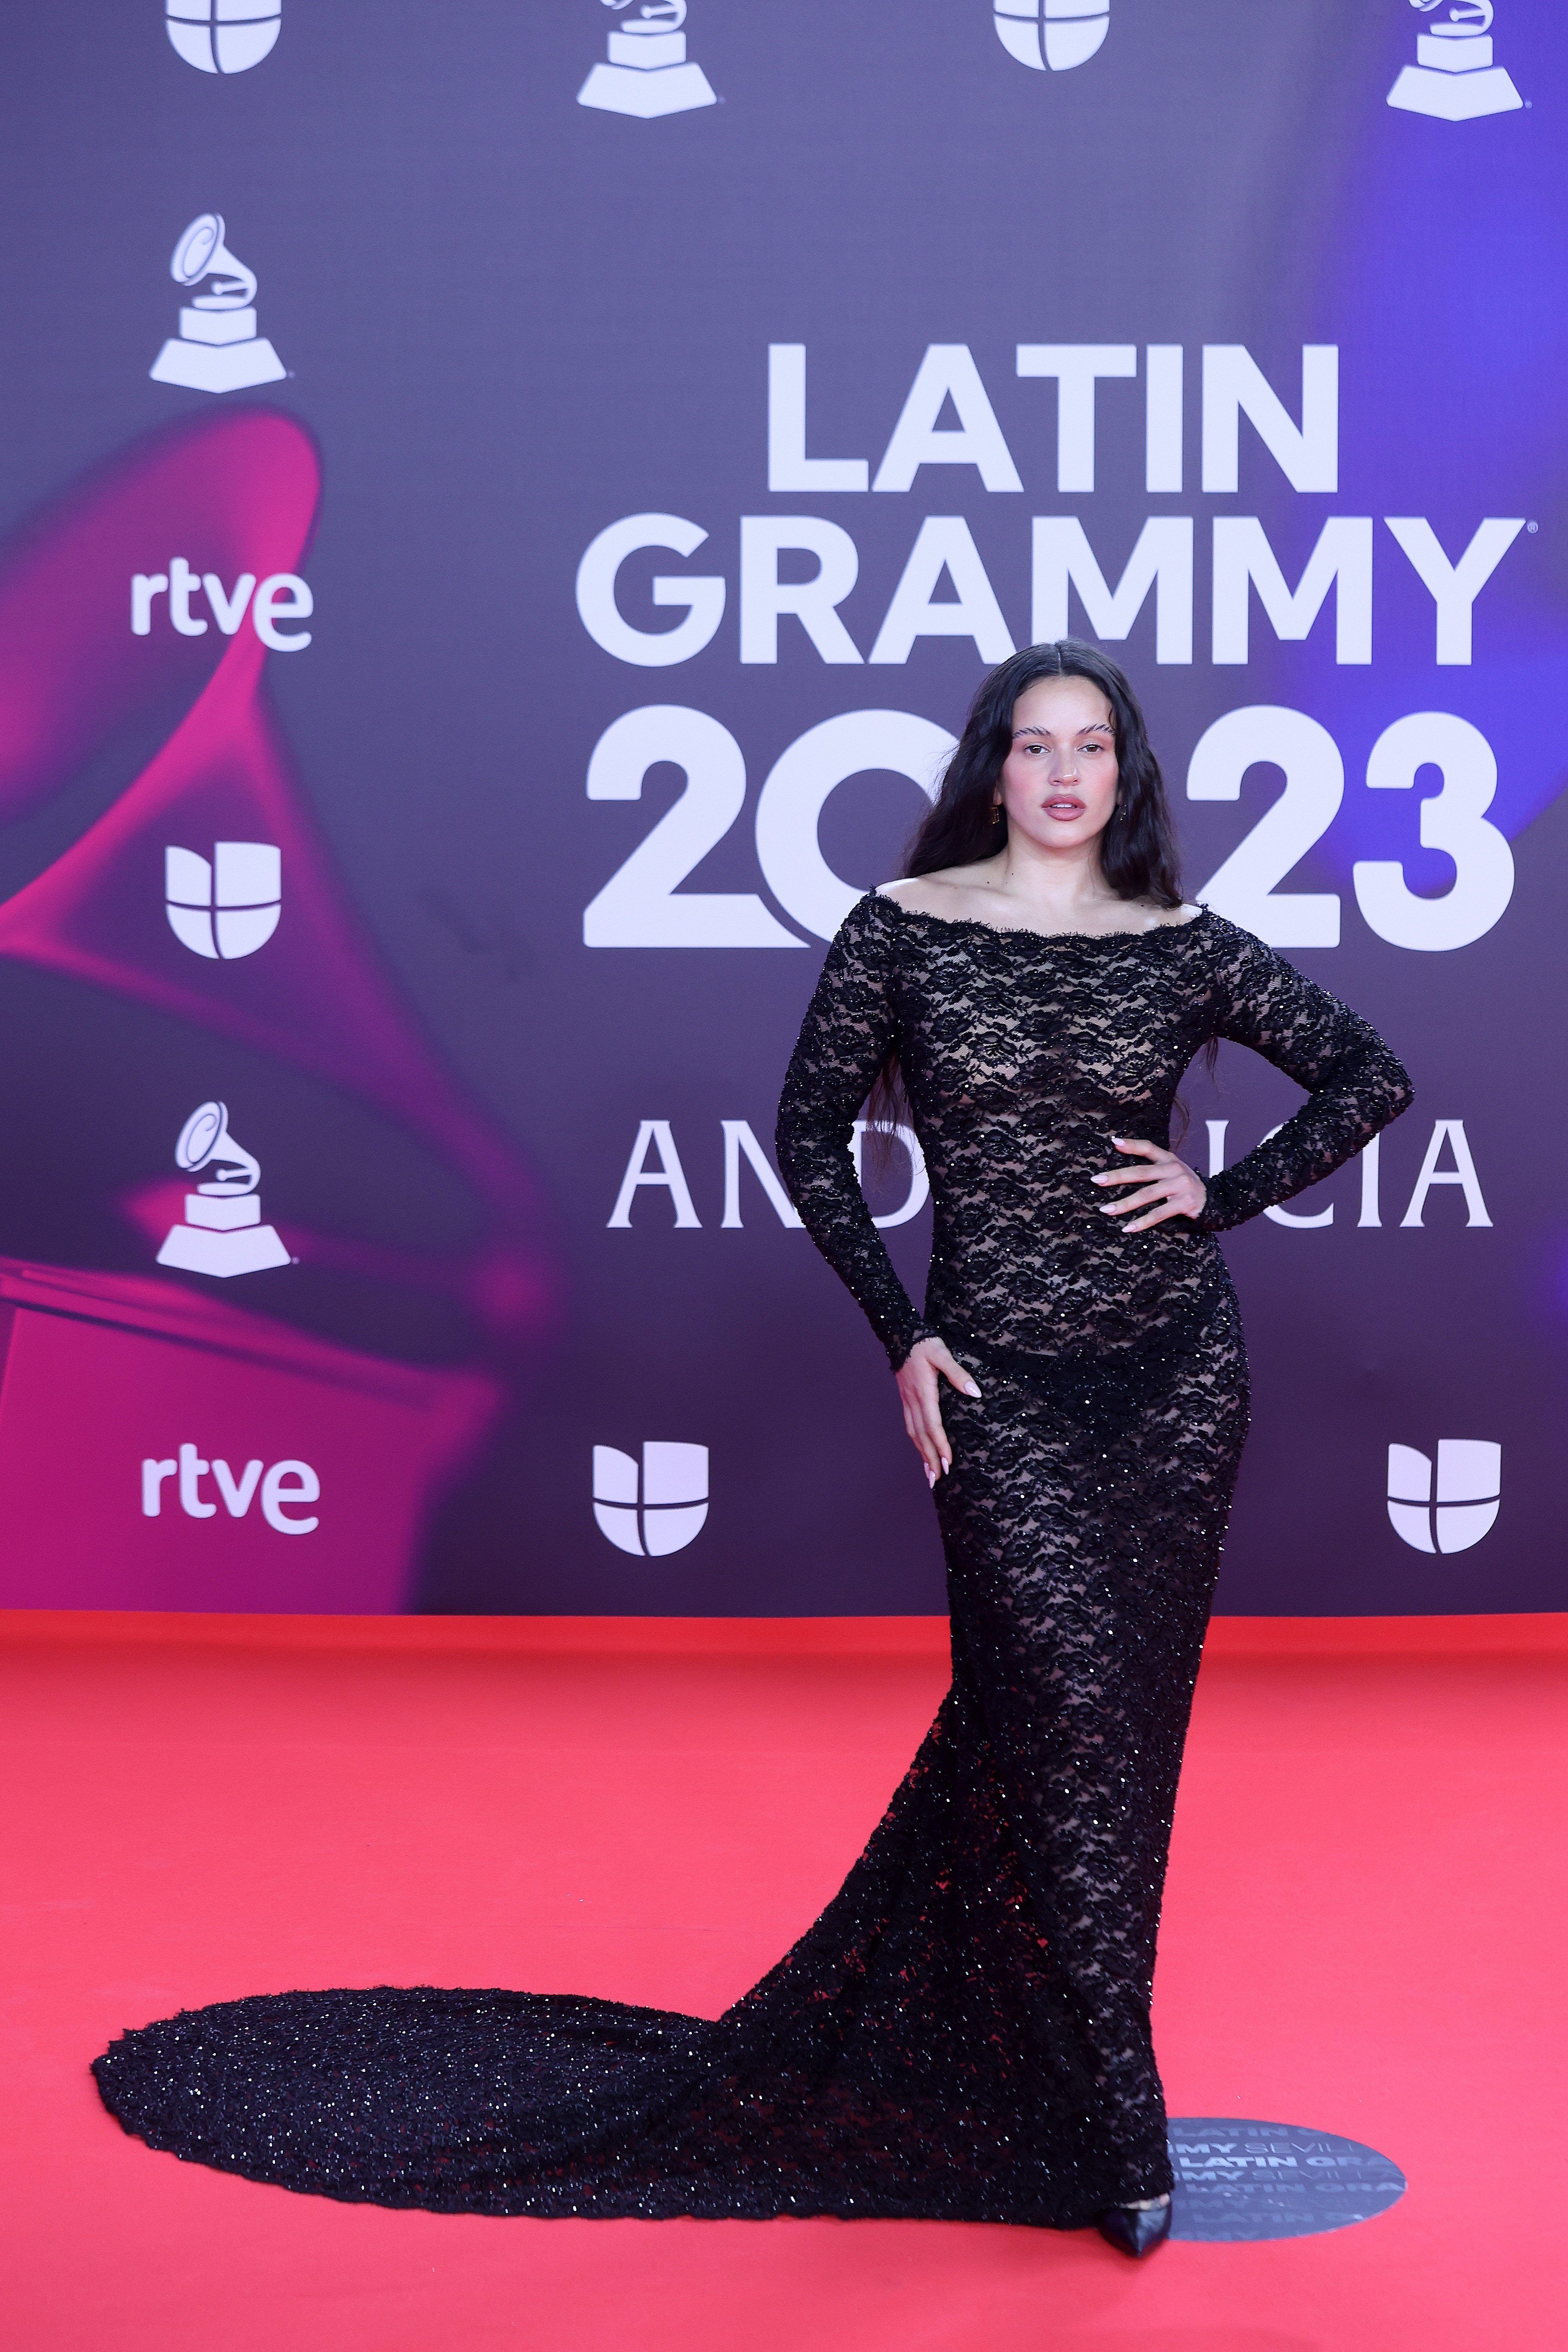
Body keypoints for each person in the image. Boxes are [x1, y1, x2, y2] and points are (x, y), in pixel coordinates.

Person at [93, 641, 1412, 2260]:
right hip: (995, 1386)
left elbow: (1370, 1074)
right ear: (991, 769)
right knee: (1055, 1724)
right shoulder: (908, 932)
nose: (1065, 774)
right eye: (1034, 745)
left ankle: (1077, 2088)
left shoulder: (1185, 945)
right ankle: (1117, 2113)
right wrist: (901, 1336)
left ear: (1125, 776)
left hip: (1173, 1386)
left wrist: (1223, 1188)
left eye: (1094, 748)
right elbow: (807, 1132)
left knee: (1114, 1749)